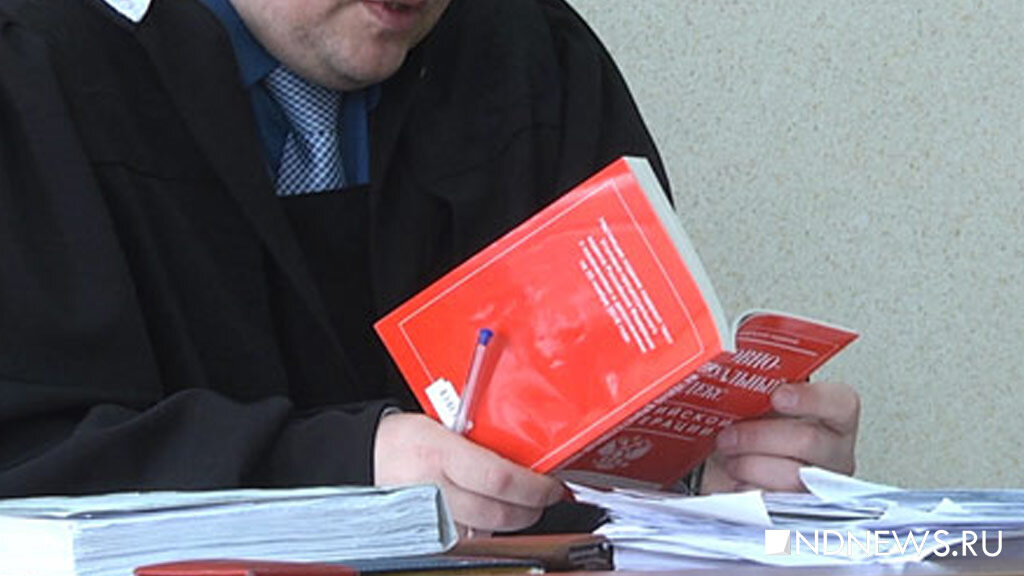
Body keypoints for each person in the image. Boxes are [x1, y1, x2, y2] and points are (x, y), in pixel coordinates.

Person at [0, 0, 858, 535]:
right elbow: (28, 455)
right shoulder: (36, 74)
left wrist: (709, 475)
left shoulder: (532, 58)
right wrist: (350, 468)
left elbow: (614, 427)